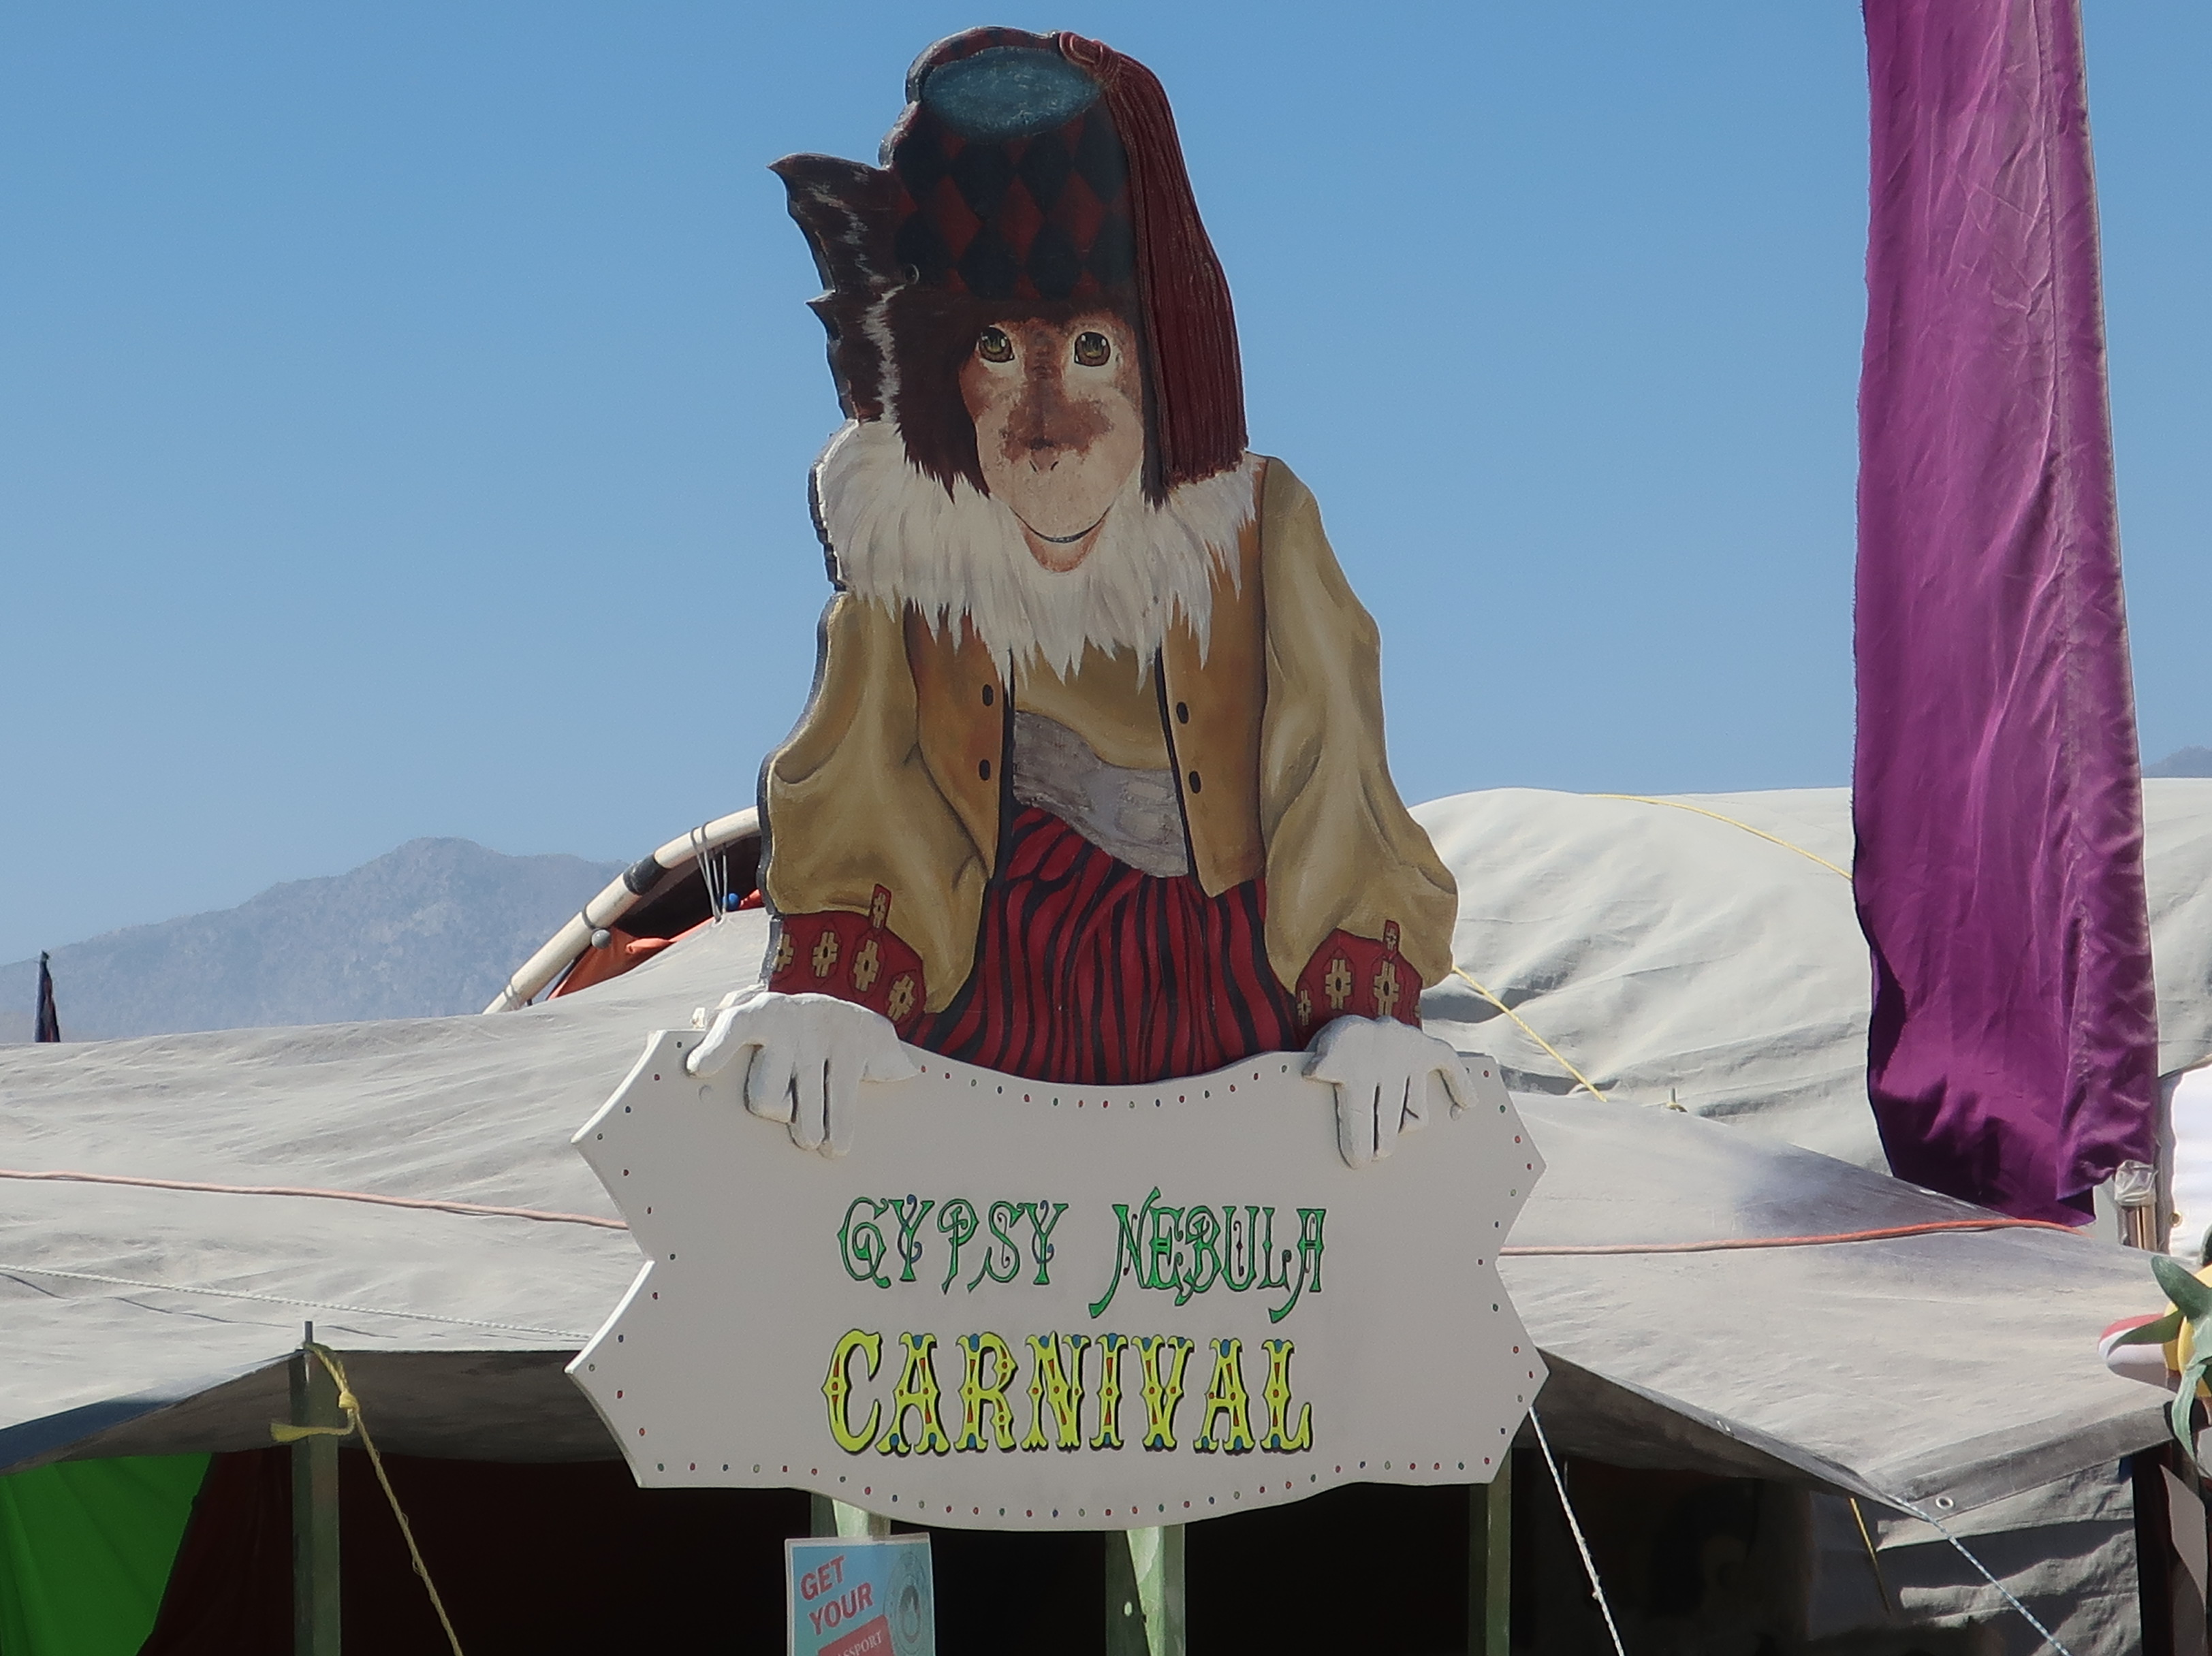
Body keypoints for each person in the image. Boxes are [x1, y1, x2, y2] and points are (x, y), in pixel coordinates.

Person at [691, 27, 1472, 1166]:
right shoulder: (910, 543)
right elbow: (868, 771)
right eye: (1000, 351)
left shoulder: (1254, 529)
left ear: (1164, 361)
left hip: (1223, 1001)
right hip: (988, 995)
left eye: (1094, 350)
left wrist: (1367, 1000)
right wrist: (839, 990)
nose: (1047, 421)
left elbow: (1333, 764)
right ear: (945, 370)